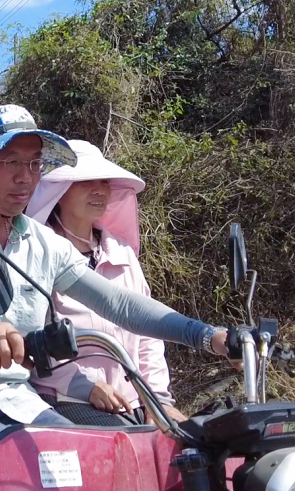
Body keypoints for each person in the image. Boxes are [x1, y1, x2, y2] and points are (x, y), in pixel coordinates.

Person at [0, 105, 230, 481]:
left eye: (34, 164)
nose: (25, 178)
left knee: (90, 468)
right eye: (11, 162)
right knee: (18, 469)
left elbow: (118, 303)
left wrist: (207, 336)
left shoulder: (45, 244)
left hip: (15, 398)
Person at [26, 140, 185, 426]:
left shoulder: (122, 253)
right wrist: (83, 385)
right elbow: (29, 335)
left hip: (134, 402)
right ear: (58, 191)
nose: (100, 190)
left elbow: (148, 335)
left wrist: (158, 401)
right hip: (64, 400)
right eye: (86, 181)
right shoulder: (35, 253)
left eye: (104, 181)